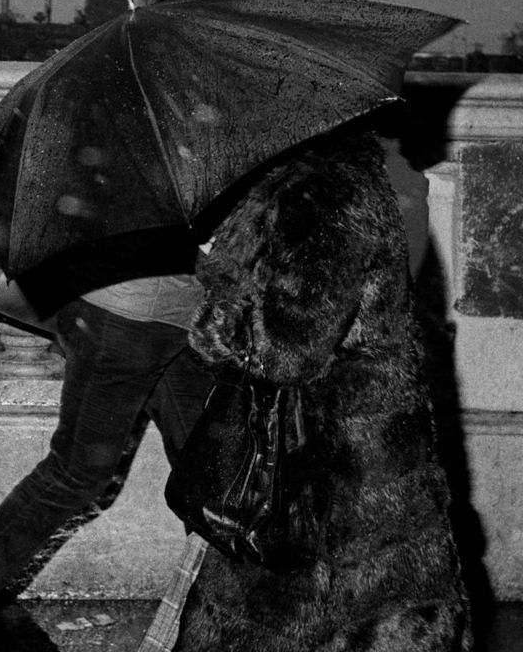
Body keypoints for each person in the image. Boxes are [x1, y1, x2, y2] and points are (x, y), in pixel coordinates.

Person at [0, 0, 239, 609]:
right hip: (129, 312)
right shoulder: (177, 70)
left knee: (218, 482)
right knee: (75, 478)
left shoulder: (142, 57)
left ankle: (243, 615)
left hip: (168, 312)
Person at [168, 126, 471, 652]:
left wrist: (220, 304)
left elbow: (286, 350)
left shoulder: (320, 188)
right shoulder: (364, 176)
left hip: (317, 465)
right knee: (383, 611)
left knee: (293, 615)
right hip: (370, 449)